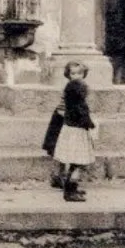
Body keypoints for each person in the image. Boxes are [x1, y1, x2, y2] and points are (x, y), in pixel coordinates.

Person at [43, 61, 88, 189]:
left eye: (80, 73)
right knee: (61, 150)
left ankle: (63, 177)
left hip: (70, 119)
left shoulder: (80, 86)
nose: (77, 76)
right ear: (68, 75)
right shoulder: (71, 87)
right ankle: (60, 176)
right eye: (73, 73)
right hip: (63, 119)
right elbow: (64, 107)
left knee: (67, 150)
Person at [53, 79, 96, 202]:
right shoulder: (81, 105)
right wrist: (92, 124)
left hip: (69, 134)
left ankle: (70, 188)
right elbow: (85, 121)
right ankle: (70, 191)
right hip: (78, 137)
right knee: (78, 164)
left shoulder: (68, 103)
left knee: (73, 163)